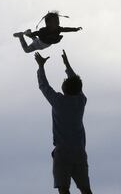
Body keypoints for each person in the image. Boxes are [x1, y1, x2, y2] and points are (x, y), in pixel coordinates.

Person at [34, 50, 93, 194]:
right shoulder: (81, 101)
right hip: (79, 151)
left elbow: (44, 86)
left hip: (63, 152)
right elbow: (77, 85)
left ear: (65, 88)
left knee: (63, 188)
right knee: (85, 189)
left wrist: (41, 66)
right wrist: (67, 65)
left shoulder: (58, 102)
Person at [14, 11, 82, 53]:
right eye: (54, 22)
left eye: (57, 22)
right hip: (38, 44)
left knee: (35, 38)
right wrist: (30, 34)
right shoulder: (43, 30)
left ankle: (28, 33)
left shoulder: (58, 29)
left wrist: (75, 29)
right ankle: (21, 36)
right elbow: (36, 33)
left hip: (43, 43)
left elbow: (66, 29)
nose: (57, 24)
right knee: (26, 50)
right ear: (48, 24)